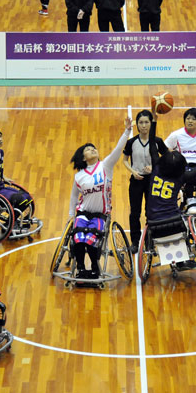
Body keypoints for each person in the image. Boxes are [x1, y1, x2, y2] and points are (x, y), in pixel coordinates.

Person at [146, 108, 196, 268]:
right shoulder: (181, 177)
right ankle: (187, 256)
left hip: (153, 220)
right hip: (173, 220)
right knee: (187, 226)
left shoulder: (156, 170)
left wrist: (154, 121)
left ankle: (175, 258)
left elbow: (151, 146)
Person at [68, 116, 133, 278]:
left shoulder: (105, 166)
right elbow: (73, 197)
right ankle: (81, 268)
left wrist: (126, 131)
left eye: (93, 148)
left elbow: (118, 150)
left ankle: (95, 268)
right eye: (88, 149)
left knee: (90, 240)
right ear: (83, 158)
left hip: (100, 215)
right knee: (78, 239)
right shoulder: (79, 176)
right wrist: (71, 215)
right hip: (83, 213)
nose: (93, 149)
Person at [123, 109, 168, 253]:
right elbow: (124, 160)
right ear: (137, 125)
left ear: (151, 123)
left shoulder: (157, 141)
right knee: (134, 213)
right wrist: (133, 171)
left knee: (151, 211)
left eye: (146, 122)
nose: (143, 125)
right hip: (136, 180)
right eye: (141, 122)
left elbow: (167, 159)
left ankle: (150, 241)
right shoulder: (131, 142)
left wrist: (155, 166)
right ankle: (135, 242)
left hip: (152, 181)